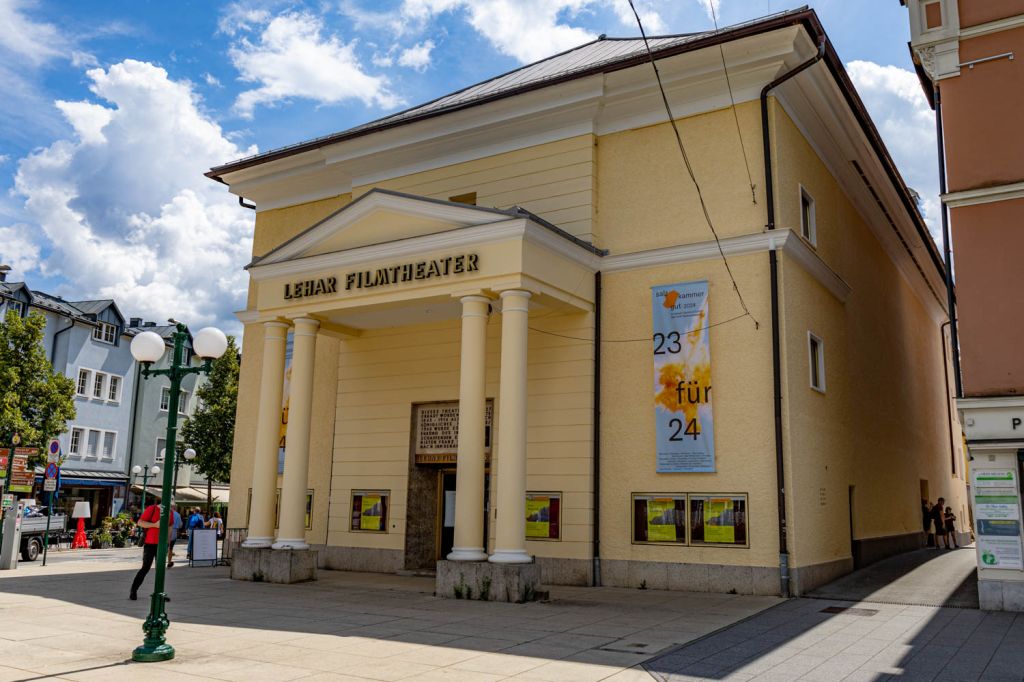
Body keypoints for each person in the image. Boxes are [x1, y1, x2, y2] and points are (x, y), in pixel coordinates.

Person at [130, 502, 163, 600]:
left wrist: (168, 543)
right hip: (150, 543)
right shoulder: (152, 508)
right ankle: (133, 590)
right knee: (145, 568)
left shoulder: (171, 512)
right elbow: (140, 522)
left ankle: (159, 593)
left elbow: (170, 527)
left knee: (160, 569)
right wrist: (155, 525)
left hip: (161, 544)